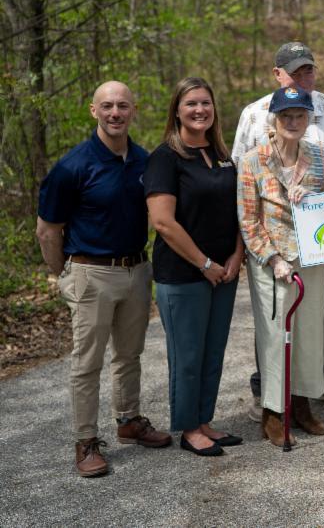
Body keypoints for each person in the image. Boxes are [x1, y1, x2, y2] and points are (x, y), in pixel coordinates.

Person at [36, 81, 172, 477]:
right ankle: (85, 441)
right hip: (90, 271)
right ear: (94, 111)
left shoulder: (144, 161)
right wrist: (64, 273)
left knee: (129, 355)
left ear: (134, 111)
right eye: (108, 106)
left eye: (123, 106)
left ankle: (129, 420)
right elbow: (47, 230)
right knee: (87, 363)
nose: (116, 113)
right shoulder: (73, 166)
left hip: (135, 270)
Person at [231, 41, 324, 417]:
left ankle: (319, 383)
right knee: (274, 323)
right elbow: (241, 180)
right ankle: (268, 395)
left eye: (309, 71)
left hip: (322, 242)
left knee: (323, 314)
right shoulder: (254, 116)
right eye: (295, 71)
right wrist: (255, 249)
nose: (304, 78)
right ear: (278, 74)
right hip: (273, 249)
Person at [145, 77, 245, 457]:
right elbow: (163, 222)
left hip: (225, 272)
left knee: (212, 351)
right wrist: (205, 264)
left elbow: (238, 211)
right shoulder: (165, 158)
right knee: (187, 355)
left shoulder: (221, 154)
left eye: (205, 103)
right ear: (177, 110)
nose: (200, 110)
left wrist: (236, 255)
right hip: (185, 274)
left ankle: (204, 420)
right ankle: (188, 428)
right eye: (191, 104)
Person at [239, 86, 324, 445]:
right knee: (275, 335)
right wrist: (273, 258)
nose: (292, 122)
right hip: (272, 262)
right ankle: (274, 412)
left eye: (299, 115)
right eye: (286, 116)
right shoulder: (254, 160)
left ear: (308, 118)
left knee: (309, 334)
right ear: (274, 120)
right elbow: (248, 220)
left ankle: (303, 404)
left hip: (311, 256)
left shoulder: (319, 156)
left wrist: (313, 198)